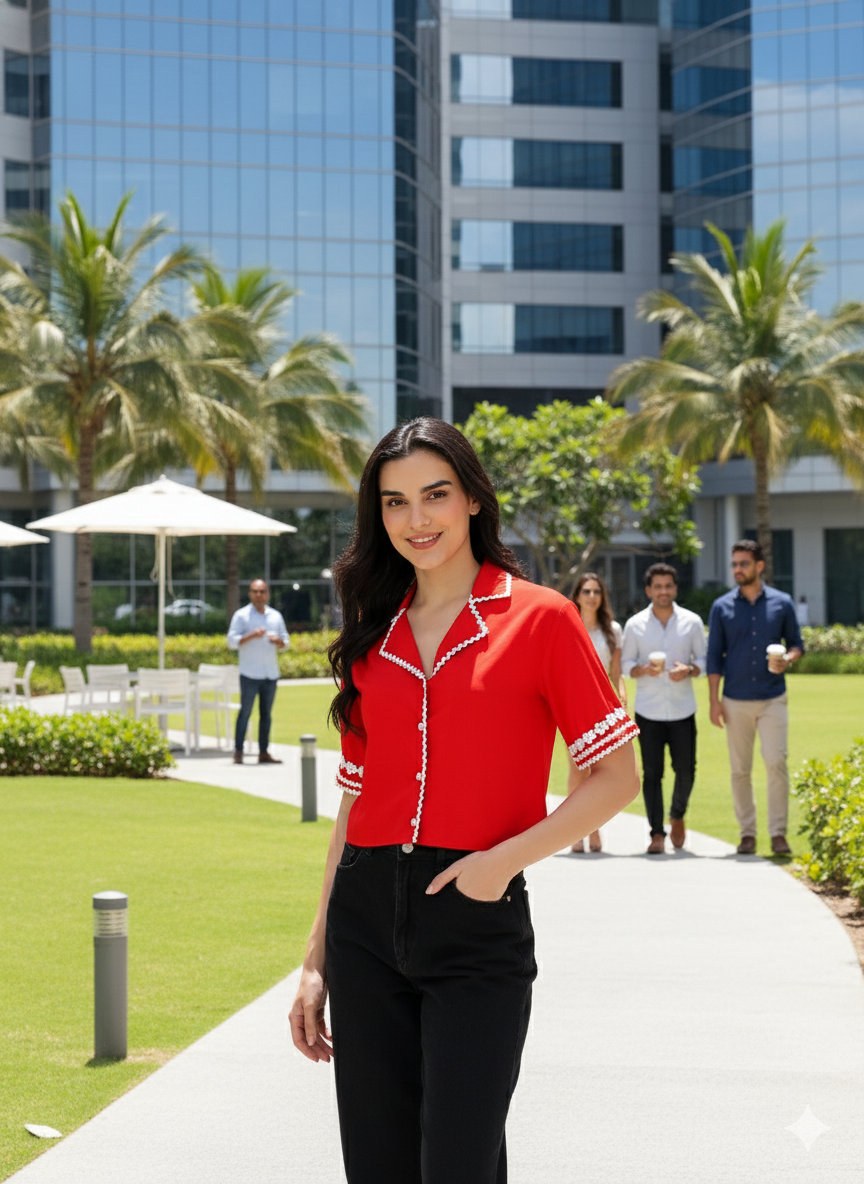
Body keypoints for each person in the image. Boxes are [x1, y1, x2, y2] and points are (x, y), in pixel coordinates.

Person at [288, 418, 640, 1184]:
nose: (417, 520)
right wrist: (315, 960)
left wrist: (500, 865)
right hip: (364, 924)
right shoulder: (371, 637)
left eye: (435, 496)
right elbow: (353, 804)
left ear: (473, 499)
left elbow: (617, 776)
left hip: (477, 919)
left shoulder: (541, 617)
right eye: (394, 503)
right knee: (377, 1167)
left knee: (459, 1164)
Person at [707, 540, 804, 855]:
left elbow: (797, 645)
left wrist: (787, 659)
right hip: (734, 699)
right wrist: (714, 700)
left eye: (744, 563)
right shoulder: (721, 607)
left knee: (776, 762)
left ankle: (778, 834)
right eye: (735, 563)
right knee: (739, 770)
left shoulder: (782, 602)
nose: (738, 569)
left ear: (759, 566)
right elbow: (713, 657)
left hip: (773, 697)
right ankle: (747, 833)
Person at [621, 563, 707, 854]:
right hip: (649, 711)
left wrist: (691, 669)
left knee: (686, 770)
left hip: (683, 708)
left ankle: (678, 815)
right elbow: (625, 665)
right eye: (657, 586)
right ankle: (656, 833)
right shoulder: (635, 625)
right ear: (648, 590)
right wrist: (642, 670)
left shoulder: (692, 622)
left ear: (675, 588)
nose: (663, 591)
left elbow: (705, 661)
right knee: (652, 774)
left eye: (668, 586)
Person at [568, 572, 627, 853]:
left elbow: (617, 672)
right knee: (578, 769)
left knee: (599, 772)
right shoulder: (568, 624)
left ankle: (593, 829)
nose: (592, 597)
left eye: (596, 592)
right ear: (577, 595)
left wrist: (623, 699)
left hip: (603, 706)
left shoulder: (612, 629)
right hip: (572, 702)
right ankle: (575, 833)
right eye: (586, 591)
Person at [226, 578, 289, 765]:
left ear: (267, 593)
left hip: (270, 673)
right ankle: (238, 751)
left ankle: (263, 752)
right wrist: (251, 635)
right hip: (249, 674)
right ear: (250, 594)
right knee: (245, 713)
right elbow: (231, 641)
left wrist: (278, 641)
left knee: (266, 715)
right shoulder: (241, 616)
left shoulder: (275, 616)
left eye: (262, 591)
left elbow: (285, 641)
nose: (259, 595)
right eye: (255, 591)